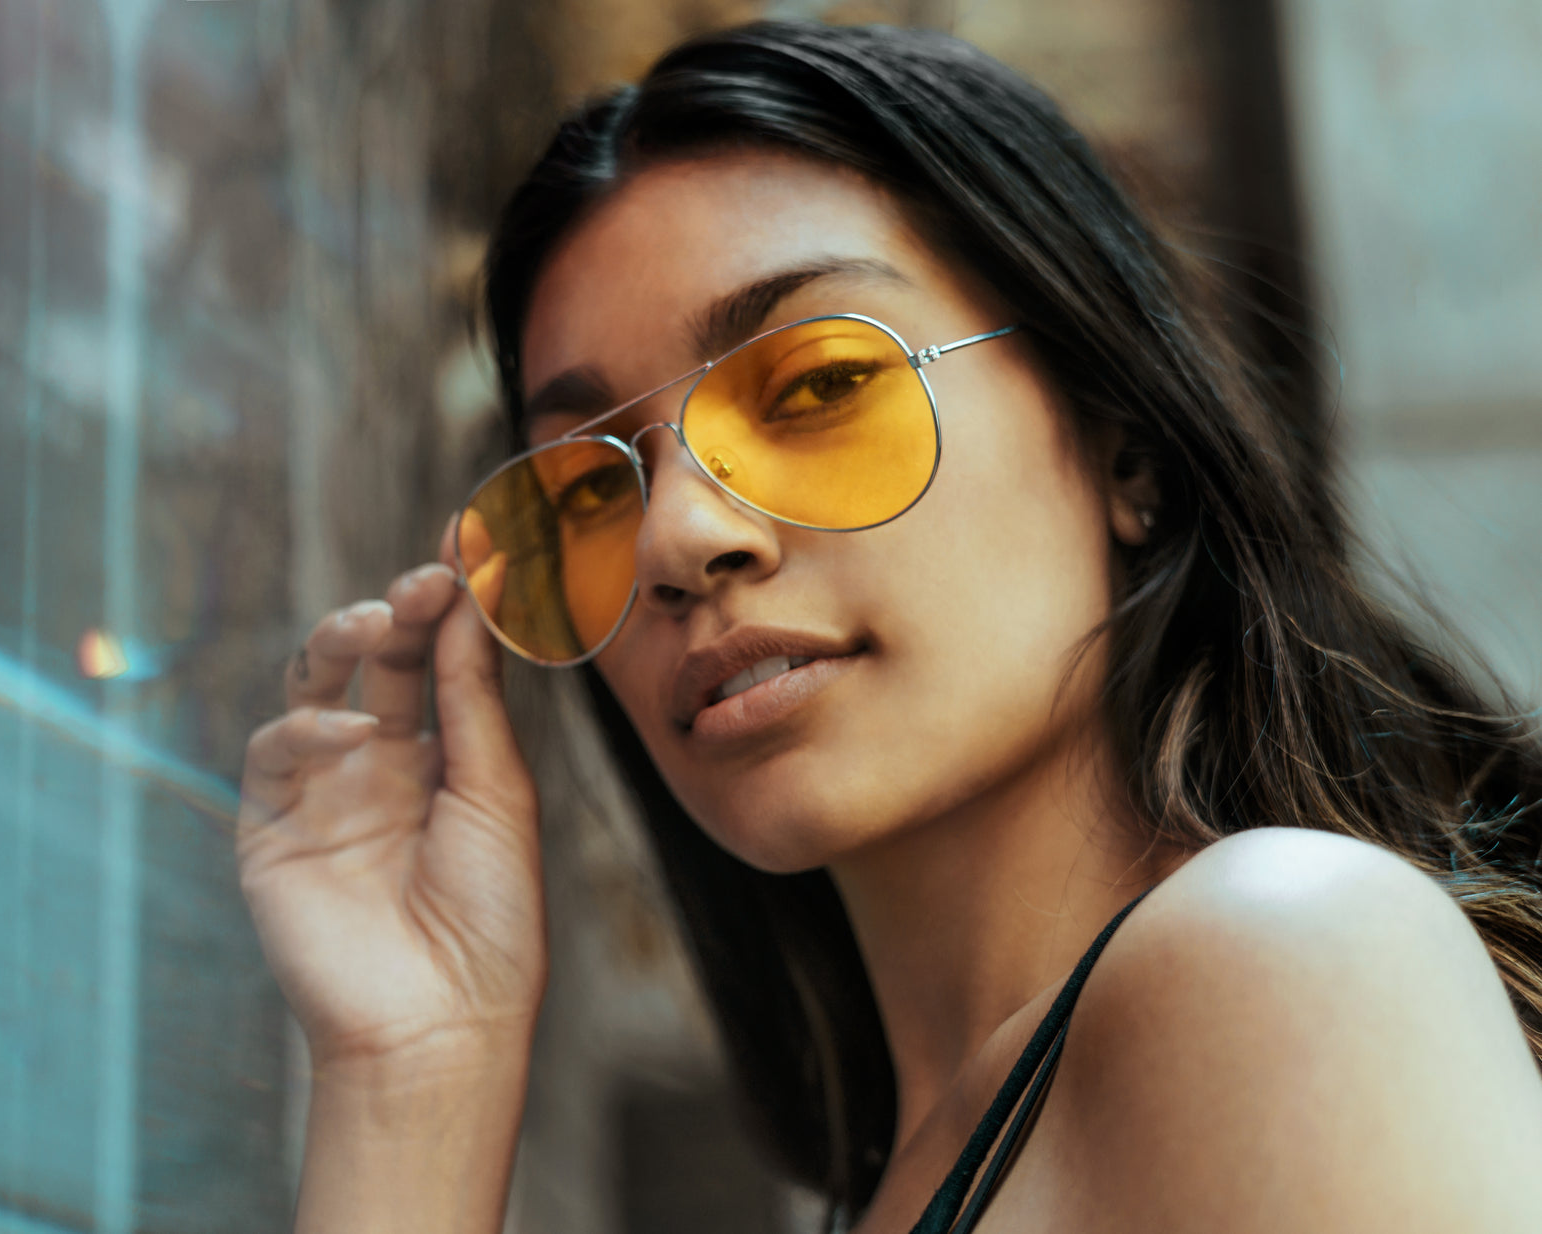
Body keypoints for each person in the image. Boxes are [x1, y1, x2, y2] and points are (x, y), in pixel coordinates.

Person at [235, 21, 1542, 1233]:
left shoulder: (1281, 954)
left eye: (817, 385)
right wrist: (412, 1070)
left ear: (1123, 448)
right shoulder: (892, 1176)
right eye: (584, 483)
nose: (677, 538)